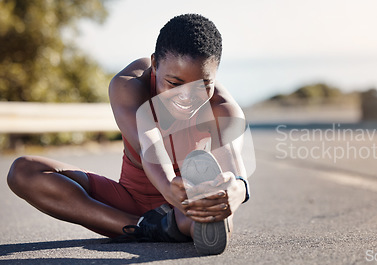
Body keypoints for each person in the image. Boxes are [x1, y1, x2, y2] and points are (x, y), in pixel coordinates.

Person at [7, 14, 251, 255]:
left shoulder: (222, 107)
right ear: (155, 63)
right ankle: (145, 228)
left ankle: (179, 224)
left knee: (215, 214)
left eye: (202, 86)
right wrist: (168, 187)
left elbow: (231, 159)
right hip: (129, 204)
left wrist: (236, 192)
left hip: (186, 204)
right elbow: (150, 146)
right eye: (174, 84)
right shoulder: (129, 85)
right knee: (23, 171)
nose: (187, 98)